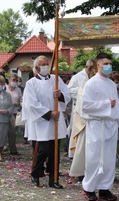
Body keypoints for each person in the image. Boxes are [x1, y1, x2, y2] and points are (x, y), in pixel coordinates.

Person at [80, 52, 119, 201]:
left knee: (109, 159)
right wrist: (105, 104)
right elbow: (85, 106)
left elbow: (115, 106)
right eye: (105, 63)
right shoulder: (91, 84)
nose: (108, 66)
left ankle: (105, 188)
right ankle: (89, 188)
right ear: (98, 65)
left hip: (110, 126)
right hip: (97, 125)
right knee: (94, 158)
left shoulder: (111, 84)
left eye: (109, 63)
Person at [22, 55, 70, 189]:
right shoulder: (31, 83)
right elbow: (31, 103)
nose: (46, 66)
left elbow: (68, 95)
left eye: (47, 63)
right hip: (42, 121)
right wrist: (49, 113)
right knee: (44, 150)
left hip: (56, 121)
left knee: (55, 151)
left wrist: (60, 95)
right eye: (43, 64)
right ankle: (35, 173)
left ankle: (53, 179)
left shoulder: (56, 80)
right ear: (37, 68)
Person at [69, 63, 97, 182]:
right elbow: (82, 104)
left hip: (97, 121)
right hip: (84, 121)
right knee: (83, 147)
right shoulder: (84, 84)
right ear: (90, 73)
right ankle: (81, 172)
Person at [66, 59, 96, 158]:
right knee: (77, 131)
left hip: (91, 110)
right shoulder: (77, 77)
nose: (92, 71)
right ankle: (74, 154)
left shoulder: (96, 77)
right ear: (86, 67)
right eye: (91, 68)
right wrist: (81, 90)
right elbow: (69, 91)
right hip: (78, 109)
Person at [6, 73, 23, 156]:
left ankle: (13, 149)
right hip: (4, 112)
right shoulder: (5, 88)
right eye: (13, 80)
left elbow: (21, 100)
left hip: (14, 112)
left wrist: (19, 104)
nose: (15, 82)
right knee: (4, 131)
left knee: (12, 131)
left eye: (16, 80)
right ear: (9, 80)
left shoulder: (18, 90)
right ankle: (3, 146)